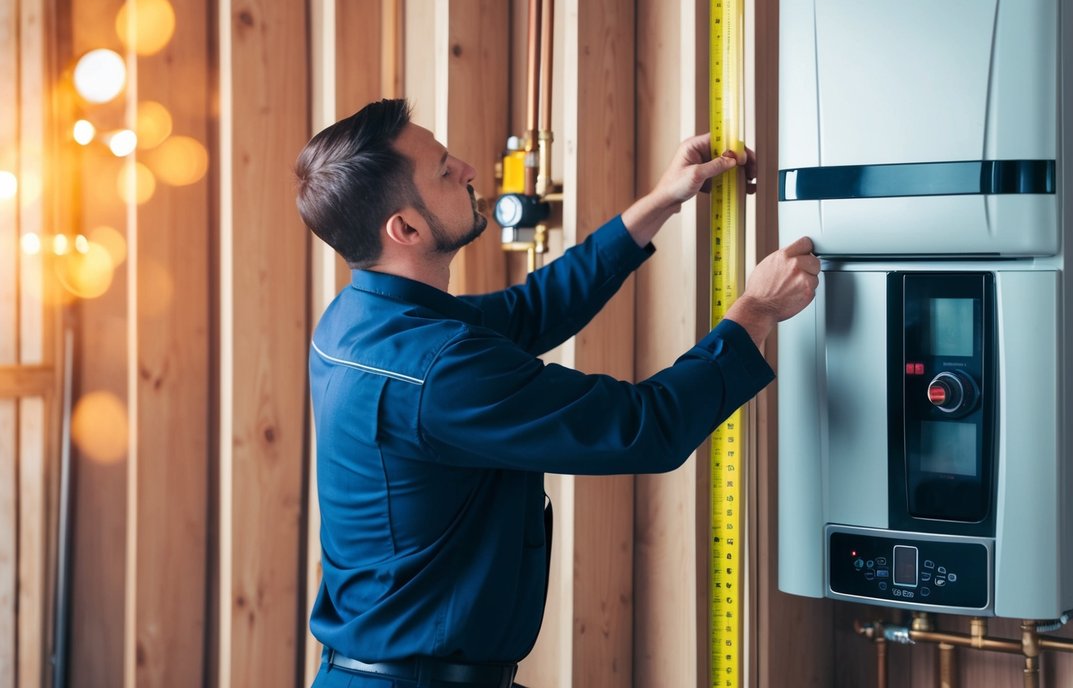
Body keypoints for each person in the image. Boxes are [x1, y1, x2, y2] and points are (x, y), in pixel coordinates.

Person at [295, 98, 821, 688]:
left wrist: (660, 202)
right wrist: (757, 312)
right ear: (407, 228)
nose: (468, 168)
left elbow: (531, 309)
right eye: (444, 169)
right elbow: (644, 428)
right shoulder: (439, 370)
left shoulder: (359, 320)